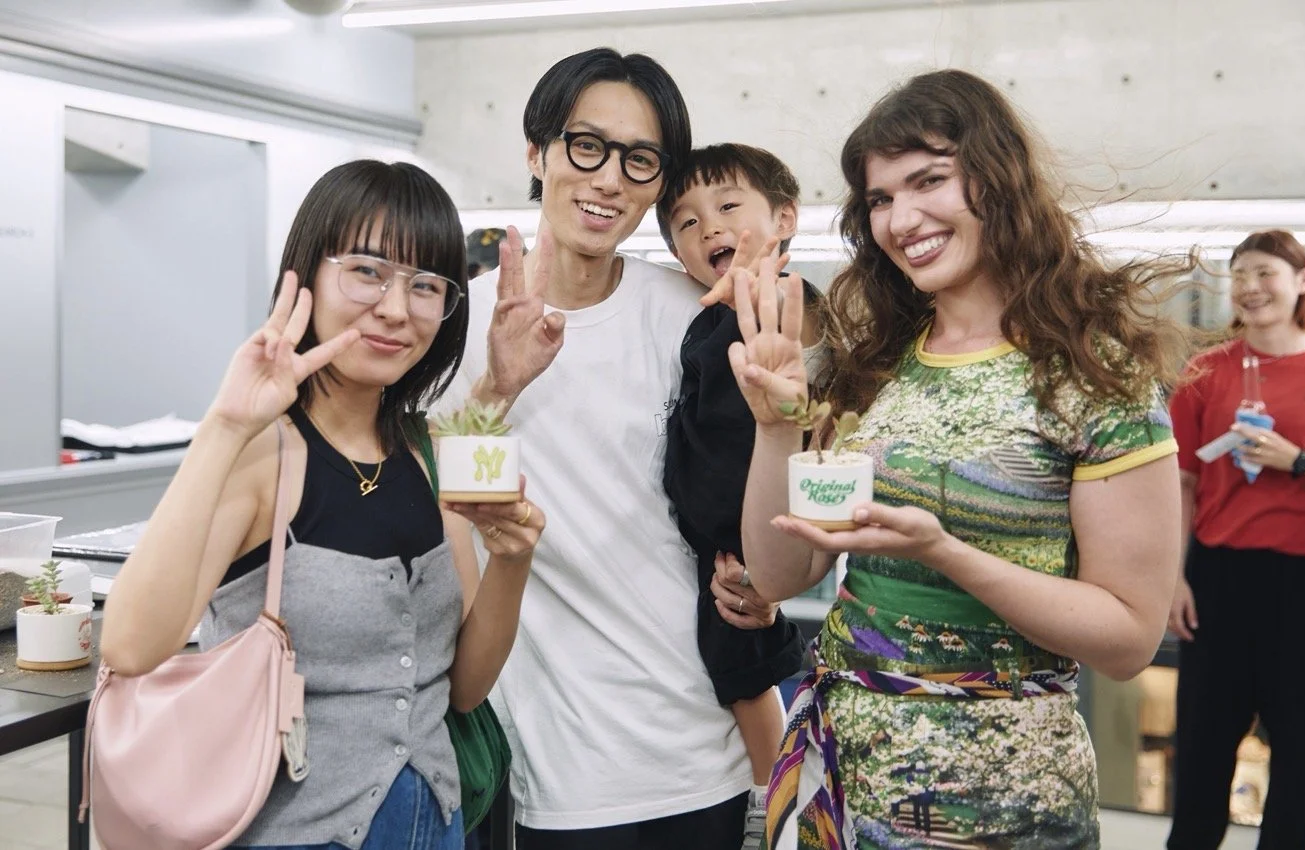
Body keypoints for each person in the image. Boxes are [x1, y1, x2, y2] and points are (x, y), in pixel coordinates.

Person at [730, 69, 1188, 848]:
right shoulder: (876, 363)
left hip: (1001, 803)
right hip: (842, 781)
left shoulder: (1094, 376)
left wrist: (945, 553)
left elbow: (1128, 638)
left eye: (929, 181)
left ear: (997, 178)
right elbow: (780, 577)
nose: (901, 218)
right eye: (879, 199)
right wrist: (775, 428)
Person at [100, 160, 545, 850]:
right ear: (307, 274)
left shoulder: (426, 453)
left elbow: (462, 688)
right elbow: (129, 645)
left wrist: (513, 563)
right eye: (367, 271)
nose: (397, 309)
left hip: (437, 826)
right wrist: (223, 426)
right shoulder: (260, 455)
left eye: (426, 285)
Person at [440, 47, 779, 849]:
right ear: (538, 152)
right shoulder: (458, 326)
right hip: (558, 767)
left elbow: (740, 490)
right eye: (586, 146)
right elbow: (436, 505)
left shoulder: (691, 316)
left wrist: (765, 578)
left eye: (639, 160)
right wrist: (497, 388)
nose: (608, 180)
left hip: (703, 749)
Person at [655, 142, 830, 848]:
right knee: (734, 661)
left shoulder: (792, 305)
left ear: (784, 218)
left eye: (729, 207)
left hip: (741, 535)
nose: (708, 229)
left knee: (742, 667)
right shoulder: (700, 316)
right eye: (686, 223)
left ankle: (777, 803)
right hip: (707, 535)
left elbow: (813, 406)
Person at [1165, 229, 1305, 850]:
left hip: (1304, 581)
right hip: (1217, 576)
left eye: (1267, 273)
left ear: (1301, 281)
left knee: (1297, 752)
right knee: (1202, 747)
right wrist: (1172, 576)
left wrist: (1299, 459)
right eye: (1241, 275)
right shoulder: (1206, 371)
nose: (1252, 288)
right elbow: (1180, 483)